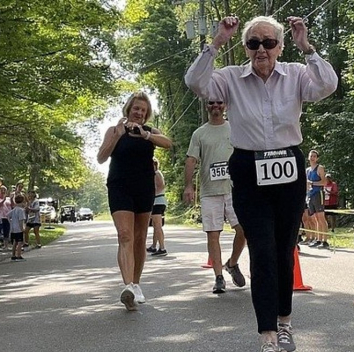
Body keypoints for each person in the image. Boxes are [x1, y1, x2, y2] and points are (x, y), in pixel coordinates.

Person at [185, 15, 338, 352]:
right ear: (245, 48)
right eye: (253, 43)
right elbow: (195, 82)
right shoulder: (230, 79)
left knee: (285, 251)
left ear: (280, 47)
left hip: (287, 166)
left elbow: (328, 85)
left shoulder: (297, 73)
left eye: (269, 43)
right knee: (263, 251)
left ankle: (284, 323)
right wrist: (216, 42)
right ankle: (267, 337)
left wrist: (309, 49)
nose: (261, 50)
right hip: (248, 168)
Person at [97, 91, 172, 311]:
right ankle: (128, 286)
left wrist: (146, 135)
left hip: (144, 187)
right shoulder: (114, 130)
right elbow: (101, 157)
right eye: (136, 108)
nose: (139, 112)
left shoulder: (149, 132)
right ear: (128, 109)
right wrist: (117, 135)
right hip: (119, 186)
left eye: (143, 110)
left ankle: (136, 284)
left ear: (147, 113)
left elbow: (168, 143)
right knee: (125, 235)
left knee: (140, 236)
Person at [183, 100, 247, 294]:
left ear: (225, 106)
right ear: (206, 106)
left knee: (243, 229)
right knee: (213, 234)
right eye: (211, 103)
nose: (215, 106)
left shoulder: (235, 128)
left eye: (219, 102)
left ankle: (232, 263)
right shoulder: (200, 133)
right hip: (209, 191)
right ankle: (218, 277)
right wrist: (188, 186)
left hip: (234, 189)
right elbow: (191, 159)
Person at [305, 150, 329, 249]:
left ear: (317, 158)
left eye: (314, 156)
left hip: (318, 193)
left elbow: (324, 182)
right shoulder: (307, 170)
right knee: (315, 219)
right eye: (311, 156)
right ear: (308, 157)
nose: (312, 158)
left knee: (321, 217)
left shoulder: (320, 168)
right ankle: (318, 239)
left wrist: (312, 183)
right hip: (310, 194)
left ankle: (325, 240)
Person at [146, 158, 168, 257]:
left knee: (158, 225)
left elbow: (161, 186)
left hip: (157, 202)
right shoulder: (153, 174)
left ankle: (162, 248)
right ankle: (154, 246)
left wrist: (151, 195)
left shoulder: (156, 173)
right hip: (156, 202)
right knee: (155, 225)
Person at [7, 195, 26, 261]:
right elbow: (21, 220)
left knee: (15, 242)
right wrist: (22, 228)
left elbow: (7, 215)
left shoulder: (14, 209)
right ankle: (19, 255)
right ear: (23, 201)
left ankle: (13, 255)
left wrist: (10, 222)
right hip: (18, 229)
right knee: (20, 242)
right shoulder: (21, 210)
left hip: (13, 229)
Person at [0, 185, 12, 250]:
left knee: (6, 231)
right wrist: (3, 200)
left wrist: (11, 199)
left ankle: (6, 246)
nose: (3, 192)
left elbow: (12, 206)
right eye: (1, 190)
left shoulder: (8, 199)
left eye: (4, 190)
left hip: (6, 217)